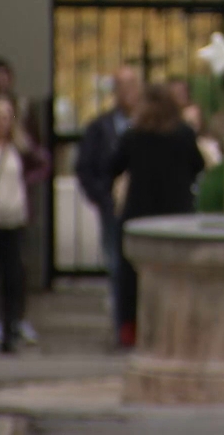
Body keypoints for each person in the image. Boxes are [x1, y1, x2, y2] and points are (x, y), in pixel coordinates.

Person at [109, 83, 205, 347]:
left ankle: (132, 329)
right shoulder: (184, 134)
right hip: (177, 216)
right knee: (176, 276)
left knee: (134, 277)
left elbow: (114, 166)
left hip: (140, 215)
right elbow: (198, 165)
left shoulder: (134, 135)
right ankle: (177, 329)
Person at [0, 95, 51, 353]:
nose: (2, 122)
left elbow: (43, 162)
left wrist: (26, 181)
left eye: (7, 116)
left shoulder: (18, 146)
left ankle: (9, 331)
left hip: (14, 217)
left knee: (12, 277)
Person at [75, 66, 143, 346]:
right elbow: (85, 167)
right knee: (116, 268)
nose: (127, 93)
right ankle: (122, 330)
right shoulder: (100, 127)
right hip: (112, 209)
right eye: (121, 86)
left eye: (132, 86)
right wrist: (100, 195)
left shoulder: (149, 126)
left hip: (142, 209)